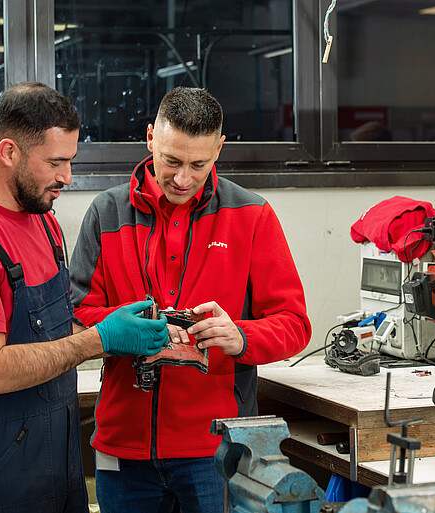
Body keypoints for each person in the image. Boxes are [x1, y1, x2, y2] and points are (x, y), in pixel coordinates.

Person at [0, 82, 169, 513]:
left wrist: (118, 324)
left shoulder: (42, 220)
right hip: (1, 477)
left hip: (60, 458)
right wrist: (100, 340)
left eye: (70, 161)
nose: (67, 178)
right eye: (55, 162)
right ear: (9, 152)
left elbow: (52, 329)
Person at [69, 86, 312, 512]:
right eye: (171, 161)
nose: (183, 178)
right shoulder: (106, 213)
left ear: (219, 148)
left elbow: (294, 323)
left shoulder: (252, 215)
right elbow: (74, 317)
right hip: (124, 446)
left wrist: (239, 337)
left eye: (199, 164)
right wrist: (120, 328)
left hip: (217, 448)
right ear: (150, 139)